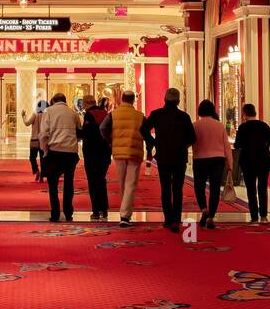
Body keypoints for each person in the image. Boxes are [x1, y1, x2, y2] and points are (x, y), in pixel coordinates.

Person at [140, 88, 195, 232]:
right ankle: (176, 220)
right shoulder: (184, 117)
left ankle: (168, 219)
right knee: (177, 189)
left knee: (165, 188)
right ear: (178, 101)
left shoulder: (157, 114)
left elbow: (143, 129)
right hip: (179, 157)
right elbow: (192, 138)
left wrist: (152, 142)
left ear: (164, 99)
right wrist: (183, 145)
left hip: (163, 156)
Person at [100, 90, 146, 226]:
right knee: (131, 183)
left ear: (122, 99)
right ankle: (125, 215)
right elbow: (146, 132)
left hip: (119, 151)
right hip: (134, 151)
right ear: (133, 100)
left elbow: (102, 128)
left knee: (122, 182)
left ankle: (124, 212)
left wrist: (110, 140)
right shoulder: (139, 116)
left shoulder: (113, 115)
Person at [233, 103, 270, 222]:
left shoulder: (242, 128)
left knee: (251, 189)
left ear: (244, 114)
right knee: (262, 188)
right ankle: (264, 216)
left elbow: (237, 145)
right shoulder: (264, 126)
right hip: (263, 160)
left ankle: (254, 217)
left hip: (247, 162)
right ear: (255, 112)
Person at [39, 92, 81, 222]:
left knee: (53, 185)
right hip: (70, 152)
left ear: (53, 101)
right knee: (69, 183)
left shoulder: (48, 111)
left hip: (55, 152)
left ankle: (55, 213)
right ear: (65, 100)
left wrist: (44, 150)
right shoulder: (73, 113)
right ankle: (68, 212)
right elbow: (79, 132)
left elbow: (43, 134)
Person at [192, 99, 232, 228]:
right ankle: (211, 217)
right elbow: (226, 146)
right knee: (215, 188)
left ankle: (204, 209)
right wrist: (230, 164)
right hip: (217, 159)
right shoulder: (219, 125)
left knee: (199, 186)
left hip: (199, 159)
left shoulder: (195, 125)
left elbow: (191, 142)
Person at [79, 98, 111, 220]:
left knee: (93, 181)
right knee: (101, 180)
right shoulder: (105, 113)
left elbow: (86, 133)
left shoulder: (88, 115)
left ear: (86, 104)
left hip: (91, 153)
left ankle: (96, 210)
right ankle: (104, 209)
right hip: (104, 152)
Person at [22, 98, 48, 180]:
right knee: (43, 158)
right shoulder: (46, 115)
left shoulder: (35, 114)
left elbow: (27, 123)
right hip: (43, 140)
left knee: (32, 157)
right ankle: (43, 175)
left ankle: (36, 170)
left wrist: (23, 116)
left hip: (34, 140)